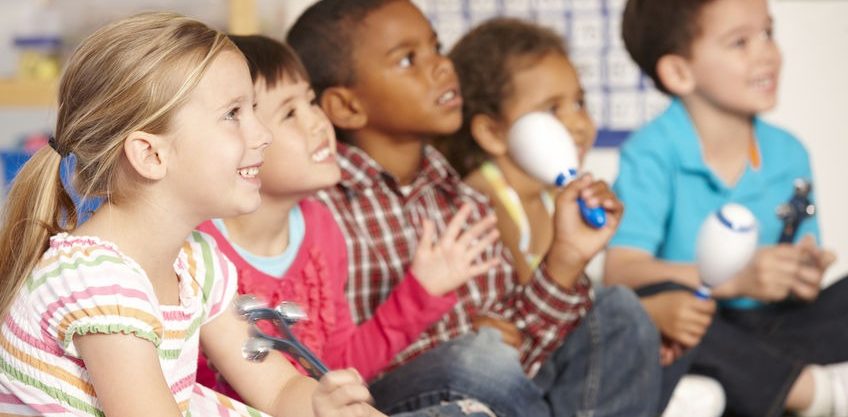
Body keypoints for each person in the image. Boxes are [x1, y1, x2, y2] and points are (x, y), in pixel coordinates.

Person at [0, 12, 436, 417]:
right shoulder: (97, 282)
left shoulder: (196, 262)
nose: (262, 134)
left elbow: (279, 390)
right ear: (151, 154)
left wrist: (320, 403)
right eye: (233, 114)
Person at [288, 2, 663, 416]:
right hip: (393, 400)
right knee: (477, 358)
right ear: (347, 106)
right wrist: (466, 342)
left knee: (619, 313)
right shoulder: (318, 207)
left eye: (437, 47)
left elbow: (522, 351)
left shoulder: (462, 200)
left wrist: (567, 256)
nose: (442, 67)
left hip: (495, 392)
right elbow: (330, 365)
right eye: (409, 59)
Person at [195, 34, 499, 417]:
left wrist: (421, 293)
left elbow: (337, 368)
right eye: (290, 113)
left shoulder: (320, 227)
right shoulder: (199, 245)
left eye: (309, 101)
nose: (318, 122)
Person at [434, 16, 714, 414]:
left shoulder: (553, 199)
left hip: (557, 360)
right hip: (515, 369)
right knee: (629, 309)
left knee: (663, 320)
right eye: (552, 109)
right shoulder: (484, 197)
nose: (578, 123)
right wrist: (646, 315)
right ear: (493, 133)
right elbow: (536, 312)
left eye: (579, 102)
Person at [605, 0, 846, 416]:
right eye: (740, 42)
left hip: (773, 329)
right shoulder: (651, 153)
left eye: (768, 33)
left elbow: (802, 269)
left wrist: (801, 274)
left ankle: (746, 383)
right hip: (699, 326)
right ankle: (808, 391)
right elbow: (619, 272)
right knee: (653, 314)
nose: (766, 53)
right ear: (680, 72)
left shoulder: (789, 153)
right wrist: (734, 280)